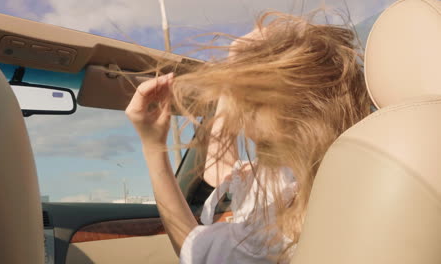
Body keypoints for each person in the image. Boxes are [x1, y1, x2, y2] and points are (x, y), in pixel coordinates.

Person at [125, 11, 371, 263]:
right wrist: (237, 67)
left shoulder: (266, 240)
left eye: (248, 101)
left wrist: (153, 147)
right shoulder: (339, 181)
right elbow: (222, 173)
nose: (240, 116)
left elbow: (190, 244)